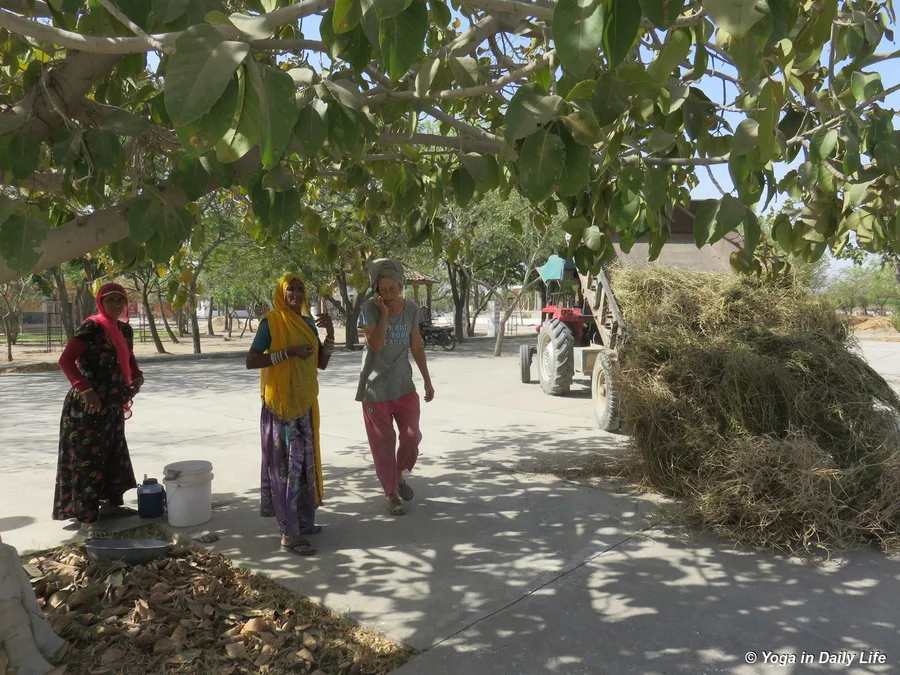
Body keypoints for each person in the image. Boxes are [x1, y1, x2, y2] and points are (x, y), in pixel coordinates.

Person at [246, 274, 334, 556]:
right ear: (280, 293)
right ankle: (288, 534)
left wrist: (330, 335)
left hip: (305, 405)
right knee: (286, 472)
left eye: (299, 288)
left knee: (305, 469)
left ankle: (304, 525)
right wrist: (289, 353)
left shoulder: (308, 323)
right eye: (289, 289)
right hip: (280, 409)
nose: (295, 293)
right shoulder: (272, 322)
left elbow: (320, 363)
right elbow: (252, 360)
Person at [53, 283, 143, 536]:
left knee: (114, 452)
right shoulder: (92, 327)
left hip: (113, 402)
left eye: (120, 300)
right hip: (88, 406)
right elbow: (66, 360)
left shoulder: (124, 329)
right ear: (100, 302)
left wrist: (136, 376)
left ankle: (112, 505)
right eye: (110, 300)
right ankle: (87, 516)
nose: (115, 304)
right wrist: (86, 390)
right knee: (87, 459)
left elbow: (129, 356)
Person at [357, 259, 435, 516]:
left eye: (393, 289)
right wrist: (384, 315)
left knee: (412, 437)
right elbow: (376, 345)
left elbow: (416, 346)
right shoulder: (370, 308)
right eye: (383, 289)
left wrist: (426, 379)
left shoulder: (412, 309)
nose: (389, 295)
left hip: (403, 385)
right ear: (376, 289)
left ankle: (399, 474)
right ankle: (390, 492)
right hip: (375, 389)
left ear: (401, 287)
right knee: (384, 442)